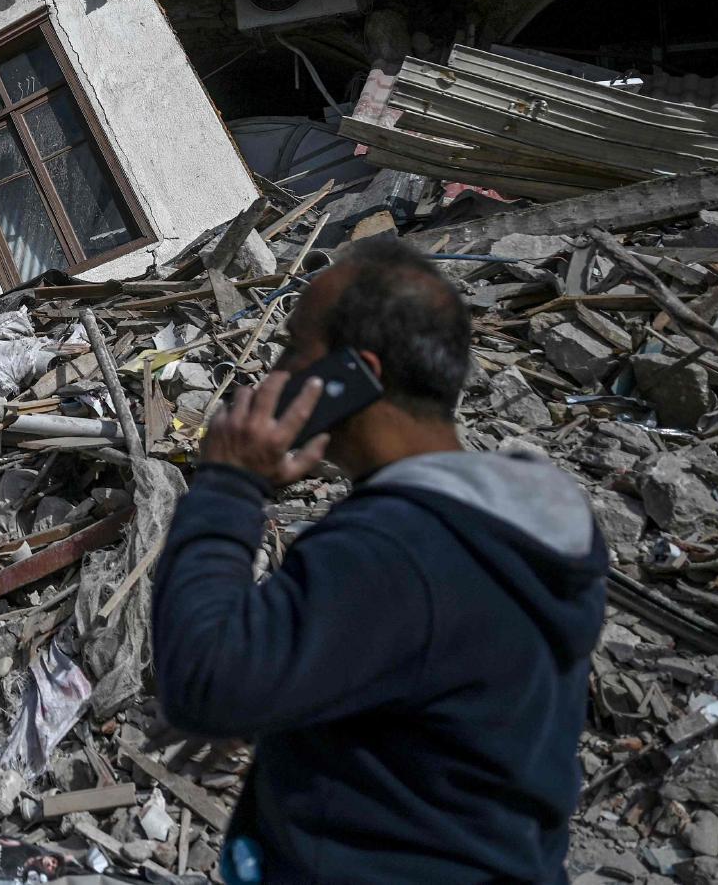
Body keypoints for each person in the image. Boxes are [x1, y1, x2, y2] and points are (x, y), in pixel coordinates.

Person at [151, 235, 607, 885]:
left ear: (351, 375)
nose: (271, 374)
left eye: (291, 350)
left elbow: (205, 680)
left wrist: (228, 486)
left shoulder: (398, 549)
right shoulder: (520, 527)